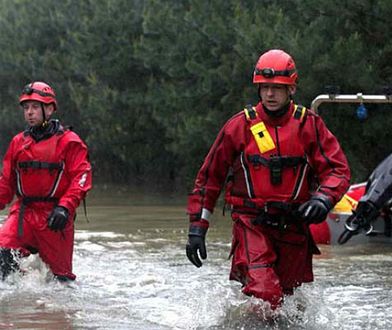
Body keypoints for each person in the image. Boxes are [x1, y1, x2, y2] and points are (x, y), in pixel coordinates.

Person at [185, 49, 351, 310]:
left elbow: (337, 170)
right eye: (264, 88)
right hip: (252, 224)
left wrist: (323, 198)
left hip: (294, 227)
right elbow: (209, 178)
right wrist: (197, 227)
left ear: (292, 89)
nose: (270, 94)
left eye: (277, 88)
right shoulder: (239, 126)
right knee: (266, 295)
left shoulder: (309, 125)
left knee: (289, 303)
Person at [0, 81, 92, 282]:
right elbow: (5, 183)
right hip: (24, 214)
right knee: (2, 253)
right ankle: (13, 306)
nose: (29, 113)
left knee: (62, 282)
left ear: (49, 109)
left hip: (55, 218)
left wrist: (65, 208)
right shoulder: (18, 142)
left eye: (34, 107)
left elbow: (81, 178)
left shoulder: (70, 141)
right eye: (26, 108)